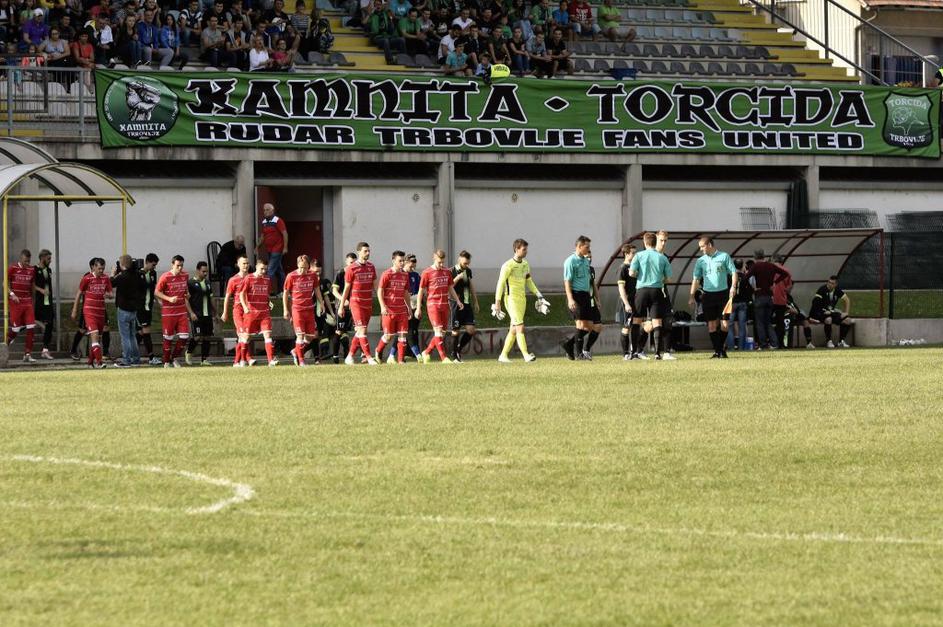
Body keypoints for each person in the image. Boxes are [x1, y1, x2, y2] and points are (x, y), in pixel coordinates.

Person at [493, 238, 546, 363]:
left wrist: (539, 295)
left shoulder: (525, 264)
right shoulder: (507, 265)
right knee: (520, 327)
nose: (526, 252)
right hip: (511, 299)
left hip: (522, 299)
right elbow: (500, 283)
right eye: (524, 249)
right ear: (516, 249)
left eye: (526, 249)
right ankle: (526, 355)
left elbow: (529, 281)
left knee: (513, 328)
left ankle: (503, 355)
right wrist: (497, 302)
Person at [688, 236, 737, 359]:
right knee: (711, 325)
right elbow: (696, 279)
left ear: (709, 244)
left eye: (702, 246)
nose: (701, 249)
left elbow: (734, 272)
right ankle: (718, 351)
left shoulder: (724, 256)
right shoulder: (700, 261)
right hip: (708, 295)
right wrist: (691, 296)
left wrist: (733, 287)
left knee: (725, 324)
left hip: (723, 294)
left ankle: (719, 349)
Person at [629, 232, 673, 360]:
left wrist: (641, 276)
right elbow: (669, 279)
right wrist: (658, 279)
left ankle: (634, 353)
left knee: (637, 320)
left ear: (644, 242)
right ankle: (657, 353)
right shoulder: (662, 257)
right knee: (657, 321)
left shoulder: (639, 255)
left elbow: (631, 273)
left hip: (642, 290)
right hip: (656, 290)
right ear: (656, 242)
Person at [416, 248, 464, 364]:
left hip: (445, 304)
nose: (441, 264)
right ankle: (444, 358)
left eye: (443, 262)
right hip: (433, 305)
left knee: (442, 333)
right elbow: (421, 291)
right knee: (437, 331)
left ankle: (426, 352)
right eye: (439, 262)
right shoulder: (426, 273)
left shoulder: (446, 272)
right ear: (434, 258)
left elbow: (450, 288)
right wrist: (418, 308)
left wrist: (457, 301)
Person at [282, 254, 328, 367]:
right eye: (300, 267)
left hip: (309, 309)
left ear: (309, 266)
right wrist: (285, 309)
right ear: (297, 265)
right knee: (300, 336)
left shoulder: (312, 275)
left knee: (310, 336)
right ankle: (301, 360)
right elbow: (285, 293)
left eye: (305, 267)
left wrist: (321, 303)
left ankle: (295, 351)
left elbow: (317, 289)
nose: (302, 270)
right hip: (297, 310)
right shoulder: (291, 276)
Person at [560, 235, 600, 360]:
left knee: (589, 326)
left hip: (586, 296)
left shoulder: (585, 261)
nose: (588, 249)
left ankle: (568, 344)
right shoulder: (570, 261)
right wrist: (570, 299)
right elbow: (567, 281)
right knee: (580, 324)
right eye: (587, 247)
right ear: (579, 246)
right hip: (576, 295)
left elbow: (590, 282)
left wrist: (595, 298)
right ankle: (579, 354)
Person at [338, 242, 378, 366]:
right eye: (365, 251)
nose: (368, 253)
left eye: (368, 251)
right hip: (356, 303)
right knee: (361, 329)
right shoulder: (351, 268)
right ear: (359, 252)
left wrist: (382, 300)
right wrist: (341, 306)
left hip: (368, 303)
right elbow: (347, 288)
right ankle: (369, 357)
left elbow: (375, 286)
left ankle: (349, 356)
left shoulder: (371, 267)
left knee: (361, 331)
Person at [155, 255, 197, 368]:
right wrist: (169, 299)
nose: (180, 268)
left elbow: (185, 291)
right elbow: (157, 292)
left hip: (181, 311)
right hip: (168, 312)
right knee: (168, 337)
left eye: (181, 266)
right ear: (172, 265)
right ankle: (166, 362)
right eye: (178, 265)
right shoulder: (165, 277)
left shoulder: (185, 275)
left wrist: (187, 294)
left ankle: (173, 358)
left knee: (184, 337)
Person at [71, 257, 111, 369]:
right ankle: (100, 362)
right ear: (93, 267)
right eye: (99, 268)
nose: (101, 271)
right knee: (93, 334)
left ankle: (90, 363)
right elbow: (79, 293)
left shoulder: (106, 278)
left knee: (97, 337)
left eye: (103, 268)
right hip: (89, 310)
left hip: (101, 311)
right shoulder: (87, 278)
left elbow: (110, 292)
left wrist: (108, 294)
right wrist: (75, 309)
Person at [239, 257, 279, 366]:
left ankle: (271, 360)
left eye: (265, 269)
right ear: (256, 267)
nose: (264, 271)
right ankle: (242, 359)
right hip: (251, 313)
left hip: (264, 312)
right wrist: (245, 307)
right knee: (246, 337)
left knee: (267, 335)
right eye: (261, 269)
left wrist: (268, 301)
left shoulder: (267, 279)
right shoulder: (249, 278)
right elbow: (242, 294)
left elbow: (266, 294)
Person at [376, 250, 412, 364]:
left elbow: (406, 292)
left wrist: (409, 307)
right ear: (393, 261)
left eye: (403, 261)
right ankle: (378, 350)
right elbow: (379, 291)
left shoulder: (405, 275)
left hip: (401, 310)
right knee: (388, 336)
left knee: (403, 335)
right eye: (399, 261)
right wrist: (382, 306)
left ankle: (401, 360)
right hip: (389, 310)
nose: (402, 263)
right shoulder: (387, 274)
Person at [745, 249, 786, 350]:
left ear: (755, 257)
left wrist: (753, 289)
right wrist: (775, 283)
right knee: (768, 322)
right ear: (764, 256)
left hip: (759, 296)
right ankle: (774, 343)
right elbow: (785, 274)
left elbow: (745, 278)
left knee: (759, 322)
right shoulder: (771, 265)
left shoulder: (755, 266)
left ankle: (763, 344)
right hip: (769, 297)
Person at [110, 254, 146, 367]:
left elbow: (111, 283)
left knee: (125, 336)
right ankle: (136, 359)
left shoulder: (122, 276)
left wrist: (112, 274)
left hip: (123, 309)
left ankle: (126, 360)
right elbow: (143, 286)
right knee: (132, 336)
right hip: (133, 310)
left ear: (121, 265)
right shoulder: (136, 275)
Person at [7, 249, 38, 363]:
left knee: (31, 327)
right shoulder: (13, 268)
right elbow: (4, 283)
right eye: (25, 261)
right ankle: (6, 343)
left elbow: (33, 286)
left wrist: (33, 302)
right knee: (15, 329)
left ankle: (27, 354)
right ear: (21, 258)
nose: (27, 263)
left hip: (28, 302)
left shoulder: (31, 269)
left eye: (28, 261)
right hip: (16, 302)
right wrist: (12, 294)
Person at [220, 254, 250, 367]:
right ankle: (244, 360)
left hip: (249, 311)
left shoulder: (252, 278)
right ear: (238, 265)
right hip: (238, 310)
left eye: (247, 263)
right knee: (243, 335)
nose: (246, 265)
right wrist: (225, 312)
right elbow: (227, 297)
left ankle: (237, 361)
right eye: (243, 263)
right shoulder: (233, 280)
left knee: (245, 337)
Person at [449, 250, 479, 362]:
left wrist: (475, 301)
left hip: (466, 303)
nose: (466, 265)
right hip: (455, 304)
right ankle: (454, 356)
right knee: (455, 330)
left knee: (471, 330)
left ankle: (458, 349)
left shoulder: (468, 271)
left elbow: (470, 285)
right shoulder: (451, 271)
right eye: (465, 263)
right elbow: (449, 286)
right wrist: (458, 277)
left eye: (468, 263)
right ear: (459, 259)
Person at [809, 275, 852, 348]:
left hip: (831, 313)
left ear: (836, 284)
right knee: (829, 319)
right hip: (821, 313)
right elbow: (816, 305)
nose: (829, 284)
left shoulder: (837, 290)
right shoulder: (822, 290)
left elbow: (847, 300)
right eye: (829, 282)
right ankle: (829, 341)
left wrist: (846, 313)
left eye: (832, 283)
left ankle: (841, 341)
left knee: (847, 320)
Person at [185, 261, 215, 366]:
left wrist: (215, 312)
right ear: (198, 270)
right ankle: (188, 352)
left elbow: (210, 298)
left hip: (207, 315)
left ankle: (204, 359)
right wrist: (191, 313)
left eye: (206, 271)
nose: (205, 273)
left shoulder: (207, 283)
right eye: (203, 271)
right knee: (197, 337)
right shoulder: (190, 283)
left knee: (207, 337)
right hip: (197, 314)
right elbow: (186, 300)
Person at [330, 252, 356, 364]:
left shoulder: (357, 273)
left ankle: (351, 355)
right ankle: (335, 356)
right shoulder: (340, 273)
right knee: (339, 331)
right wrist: (343, 299)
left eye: (354, 263)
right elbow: (334, 291)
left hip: (354, 306)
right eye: (350, 263)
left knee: (355, 331)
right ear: (346, 262)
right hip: (341, 307)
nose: (352, 265)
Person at [137, 253, 161, 365]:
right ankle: (151, 357)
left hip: (148, 307)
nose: (154, 267)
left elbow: (154, 289)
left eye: (155, 265)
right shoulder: (138, 274)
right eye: (153, 265)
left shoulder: (153, 273)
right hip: (140, 307)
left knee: (141, 332)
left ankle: (129, 354)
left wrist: (158, 301)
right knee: (146, 332)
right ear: (147, 262)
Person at [311, 259, 336, 363]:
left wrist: (331, 312)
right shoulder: (306, 281)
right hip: (309, 312)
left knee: (319, 334)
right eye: (315, 272)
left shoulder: (322, 282)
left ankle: (318, 357)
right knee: (313, 335)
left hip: (320, 313)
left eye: (319, 272)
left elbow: (326, 298)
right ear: (310, 269)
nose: (317, 275)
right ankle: (299, 352)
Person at [258, 203, 288, 293]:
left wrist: (285, 247)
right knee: (279, 271)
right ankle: (282, 291)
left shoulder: (278, 220)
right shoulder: (264, 222)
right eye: (264, 210)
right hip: (269, 250)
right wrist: (257, 247)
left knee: (270, 270)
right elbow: (262, 236)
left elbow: (285, 234)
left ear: (272, 211)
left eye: (267, 210)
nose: (265, 212)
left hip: (277, 249)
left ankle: (266, 291)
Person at [32, 249, 55, 360]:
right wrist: (40, 290)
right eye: (48, 258)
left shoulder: (48, 270)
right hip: (40, 301)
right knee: (33, 320)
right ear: (42, 258)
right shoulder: (35, 269)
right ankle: (13, 332)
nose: (50, 260)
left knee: (50, 324)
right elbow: (31, 285)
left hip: (48, 302)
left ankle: (45, 350)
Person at [725, 258, 751, 351]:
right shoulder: (745, 277)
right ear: (742, 266)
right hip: (743, 303)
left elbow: (726, 289)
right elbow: (749, 290)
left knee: (730, 325)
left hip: (732, 302)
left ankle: (731, 347)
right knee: (742, 325)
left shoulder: (730, 276)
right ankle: (741, 348)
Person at [617, 243, 637, 360]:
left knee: (636, 326)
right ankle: (625, 353)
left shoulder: (634, 268)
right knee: (626, 327)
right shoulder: (623, 268)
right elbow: (621, 288)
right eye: (633, 253)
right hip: (627, 302)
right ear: (626, 254)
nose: (635, 255)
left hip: (636, 301)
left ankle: (635, 352)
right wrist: (626, 303)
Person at [771, 254, 793, 349]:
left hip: (770, 299)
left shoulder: (770, 269)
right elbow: (789, 287)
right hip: (781, 300)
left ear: (773, 260)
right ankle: (781, 344)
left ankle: (769, 343)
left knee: (767, 321)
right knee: (780, 322)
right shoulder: (786, 271)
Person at [404, 253, 423, 360]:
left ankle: (410, 353)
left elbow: (421, 290)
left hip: (416, 306)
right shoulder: (402, 274)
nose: (413, 267)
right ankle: (416, 353)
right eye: (411, 265)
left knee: (414, 330)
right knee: (407, 330)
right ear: (405, 262)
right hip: (405, 307)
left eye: (414, 265)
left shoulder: (416, 275)